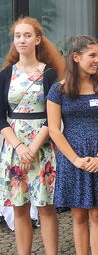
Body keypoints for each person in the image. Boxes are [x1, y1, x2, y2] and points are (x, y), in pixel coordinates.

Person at [46, 35, 98, 255]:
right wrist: (76, 160)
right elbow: (53, 129)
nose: (97, 60)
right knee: (78, 216)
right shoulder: (58, 90)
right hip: (72, 158)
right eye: (92, 55)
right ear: (76, 57)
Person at [0, 17, 64, 255]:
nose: (22, 40)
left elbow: (53, 116)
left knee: (45, 206)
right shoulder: (6, 75)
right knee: (19, 207)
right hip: (14, 149)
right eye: (17, 36)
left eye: (27, 35)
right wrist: (19, 147)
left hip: (43, 147)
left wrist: (34, 147)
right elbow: (0, 117)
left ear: (37, 40)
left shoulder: (49, 74)